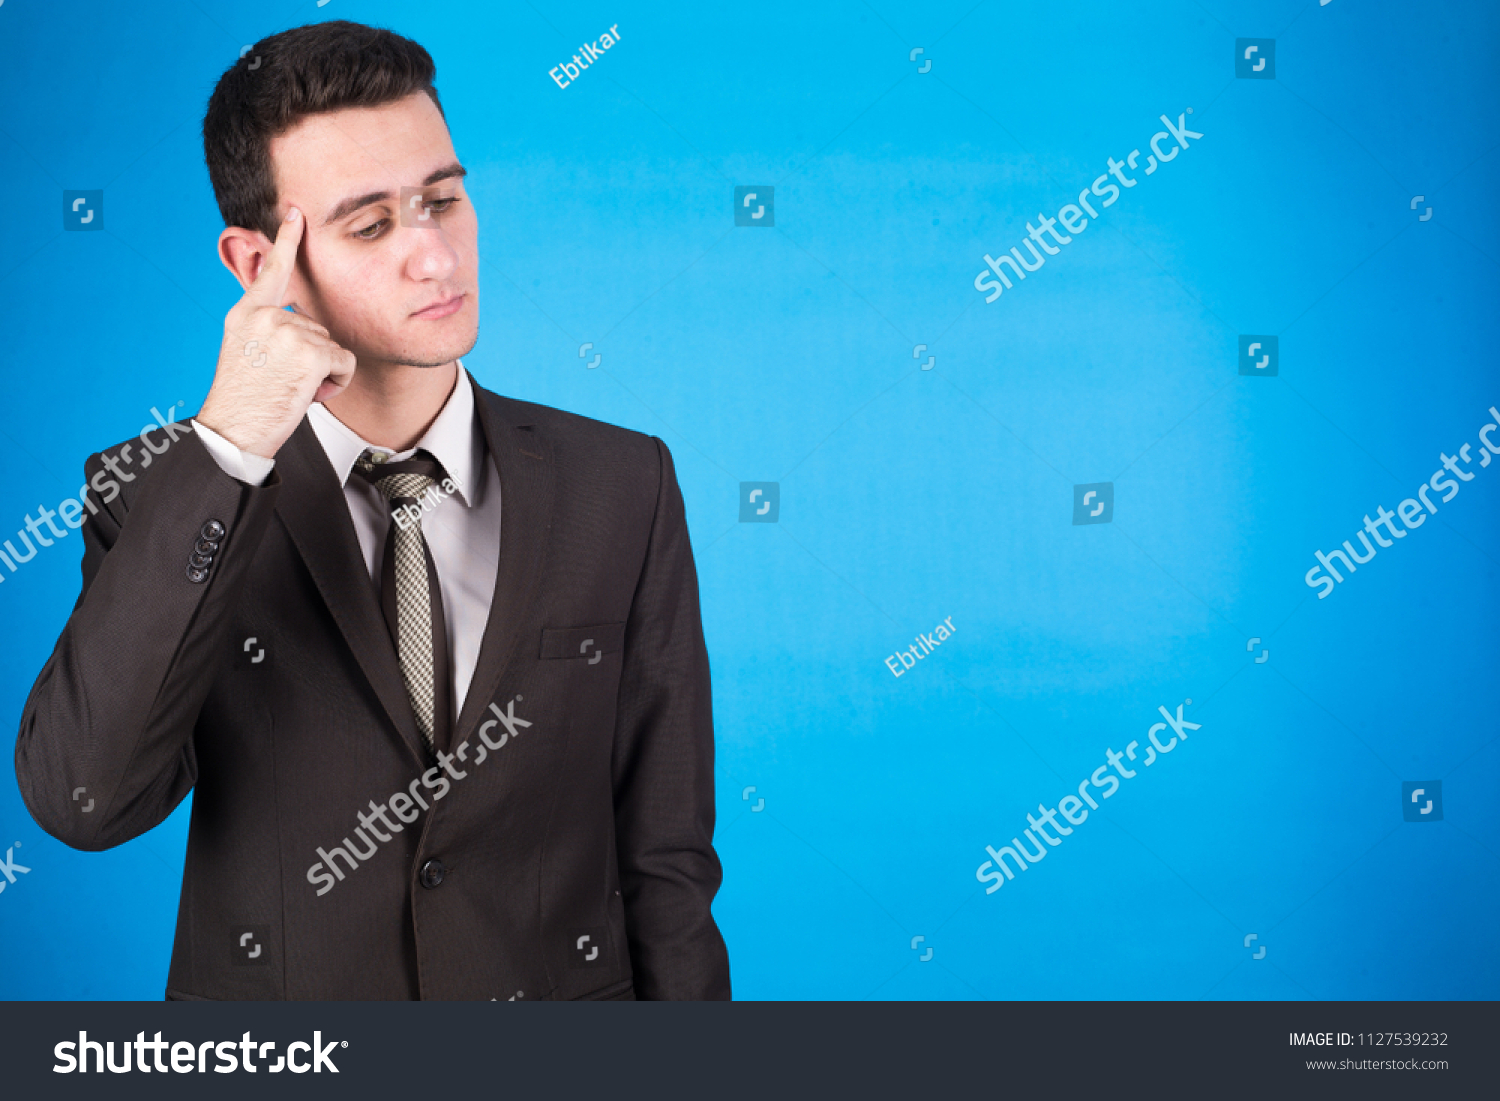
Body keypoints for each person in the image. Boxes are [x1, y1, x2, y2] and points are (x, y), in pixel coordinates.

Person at [14, 20, 730, 1001]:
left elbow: (668, 868)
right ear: (254, 263)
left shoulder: (623, 482)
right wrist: (229, 448)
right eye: (370, 225)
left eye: (443, 200)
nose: (436, 259)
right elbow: (85, 804)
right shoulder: (156, 493)